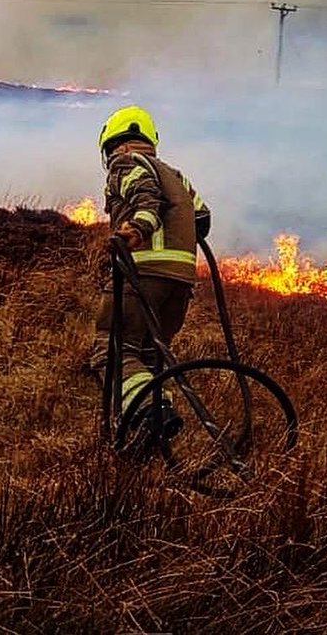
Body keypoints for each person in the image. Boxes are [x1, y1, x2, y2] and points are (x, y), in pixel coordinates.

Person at [88, 104, 211, 448]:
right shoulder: (176, 175)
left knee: (111, 349)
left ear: (115, 143)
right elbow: (203, 219)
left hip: (143, 274)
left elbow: (146, 200)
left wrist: (139, 227)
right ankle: (155, 428)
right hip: (180, 283)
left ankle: (147, 412)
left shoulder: (125, 163)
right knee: (150, 355)